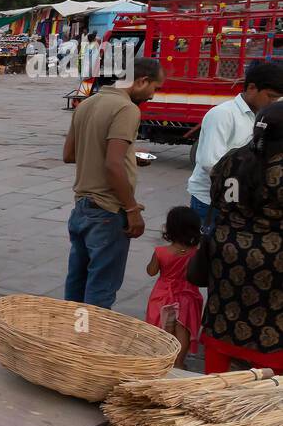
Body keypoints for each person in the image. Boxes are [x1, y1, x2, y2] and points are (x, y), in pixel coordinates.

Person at [63, 57, 165, 308]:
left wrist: (127, 155)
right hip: (108, 211)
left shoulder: (88, 103)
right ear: (141, 81)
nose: (153, 95)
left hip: (83, 208)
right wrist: (132, 210)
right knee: (101, 286)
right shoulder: (127, 109)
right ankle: (91, 342)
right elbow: (112, 164)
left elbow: (70, 155)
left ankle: (72, 337)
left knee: (77, 281)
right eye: (155, 88)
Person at [201, 100, 283, 367]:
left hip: (226, 252)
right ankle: (264, 394)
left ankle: (213, 384)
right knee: (272, 327)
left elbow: (216, 195)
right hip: (273, 260)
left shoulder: (233, 158)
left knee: (223, 317)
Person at [187, 61, 283, 228]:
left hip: (243, 203)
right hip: (212, 202)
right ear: (252, 88)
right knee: (212, 250)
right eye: (271, 96)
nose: (274, 102)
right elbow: (210, 164)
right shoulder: (223, 115)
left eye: (278, 98)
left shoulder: (266, 117)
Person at [144, 206, 204, 368]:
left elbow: (151, 271)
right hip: (187, 294)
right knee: (183, 329)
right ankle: (179, 362)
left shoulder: (161, 252)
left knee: (165, 327)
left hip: (163, 295)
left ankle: (163, 360)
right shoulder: (195, 252)